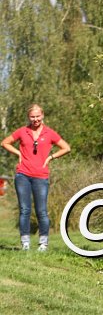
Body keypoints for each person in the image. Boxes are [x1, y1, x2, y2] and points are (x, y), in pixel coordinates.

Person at [1, 104, 71, 251]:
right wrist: (18, 153)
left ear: (42, 115)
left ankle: (43, 243)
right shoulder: (22, 131)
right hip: (23, 175)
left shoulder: (50, 133)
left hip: (41, 176)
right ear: (29, 117)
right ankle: (25, 243)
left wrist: (51, 157)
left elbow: (66, 147)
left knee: (42, 211)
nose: (35, 119)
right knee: (25, 210)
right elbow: (5, 142)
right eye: (32, 116)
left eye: (38, 116)